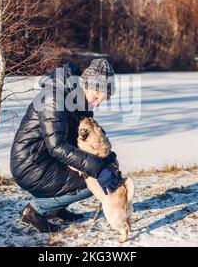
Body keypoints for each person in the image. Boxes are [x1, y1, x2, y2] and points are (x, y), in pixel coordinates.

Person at [10, 59, 121, 233]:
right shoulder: (54, 97)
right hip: (30, 164)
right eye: (98, 96)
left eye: (103, 99)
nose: (98, 103)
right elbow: (57, 146)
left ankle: (56, 208)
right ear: (89, 84)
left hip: (49, 160)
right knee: (92, 184)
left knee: (93, 173)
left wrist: (107, 159)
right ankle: (34, 212)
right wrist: (98, 170)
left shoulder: (81, 102)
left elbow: (84, 139)